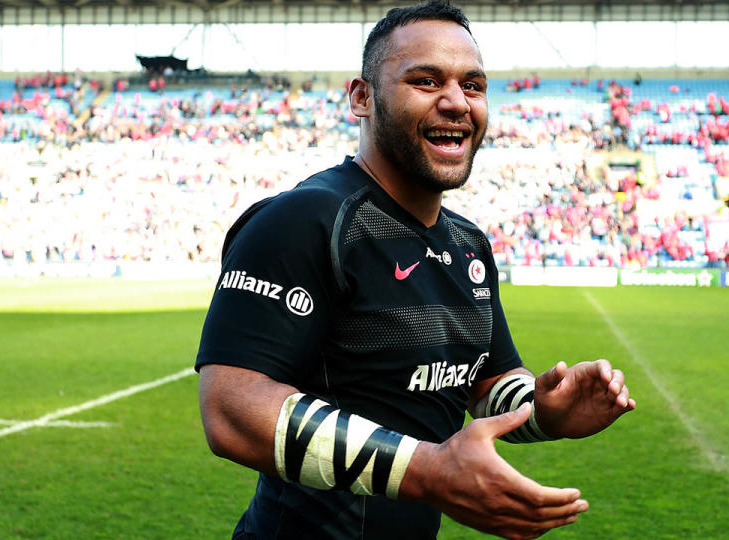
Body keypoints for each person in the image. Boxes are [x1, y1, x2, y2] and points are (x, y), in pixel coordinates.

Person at [195, 2, 636, 539]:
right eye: (426, 81)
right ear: (362, 98)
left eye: (473, 86)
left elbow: (485, 382)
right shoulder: (304, 220)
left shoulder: (469, 243)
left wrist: (544, 411)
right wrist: (428, 470)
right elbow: (232, 409)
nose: (456, 102)